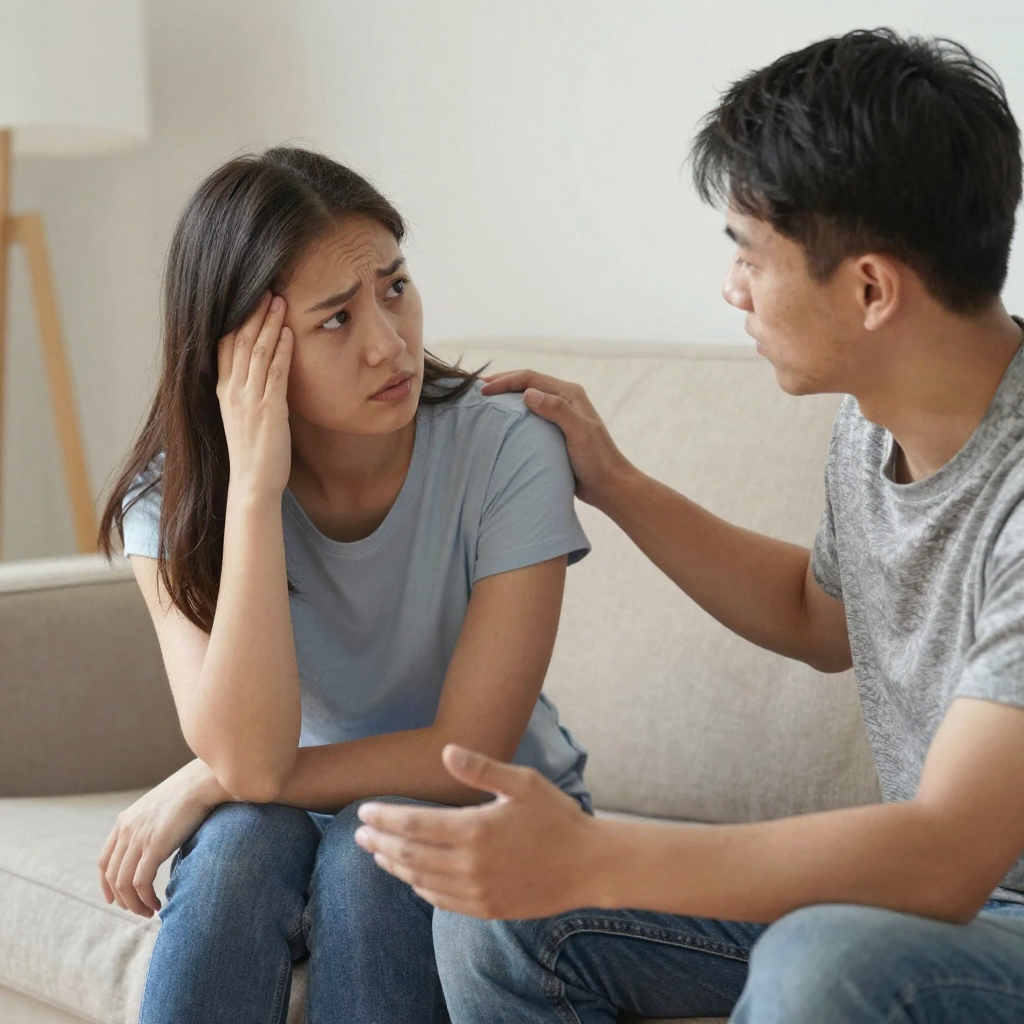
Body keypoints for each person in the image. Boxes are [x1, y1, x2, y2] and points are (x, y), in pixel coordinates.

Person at [354, 29, 1024, 1024]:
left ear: (871, 289)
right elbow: (819, 615)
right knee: (499, 922)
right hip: (938, 901)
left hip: (966, 902)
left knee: (821, 960)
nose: (733, 288)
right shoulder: (873, 417)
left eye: (749, 255)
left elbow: (944, 857)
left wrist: (596, 856)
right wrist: (615, 481)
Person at [95, 146, 591, 1024]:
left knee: (369, 843)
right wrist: (252, 488)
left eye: (394, 288)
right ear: (243, 354)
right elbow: (250, 760)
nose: (389, 343)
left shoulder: (507, 449)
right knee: (241, 847)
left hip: (488, 815)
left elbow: (469, 745)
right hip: (287, 819)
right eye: (335, 320)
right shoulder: (171, 503)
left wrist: (202, 782)